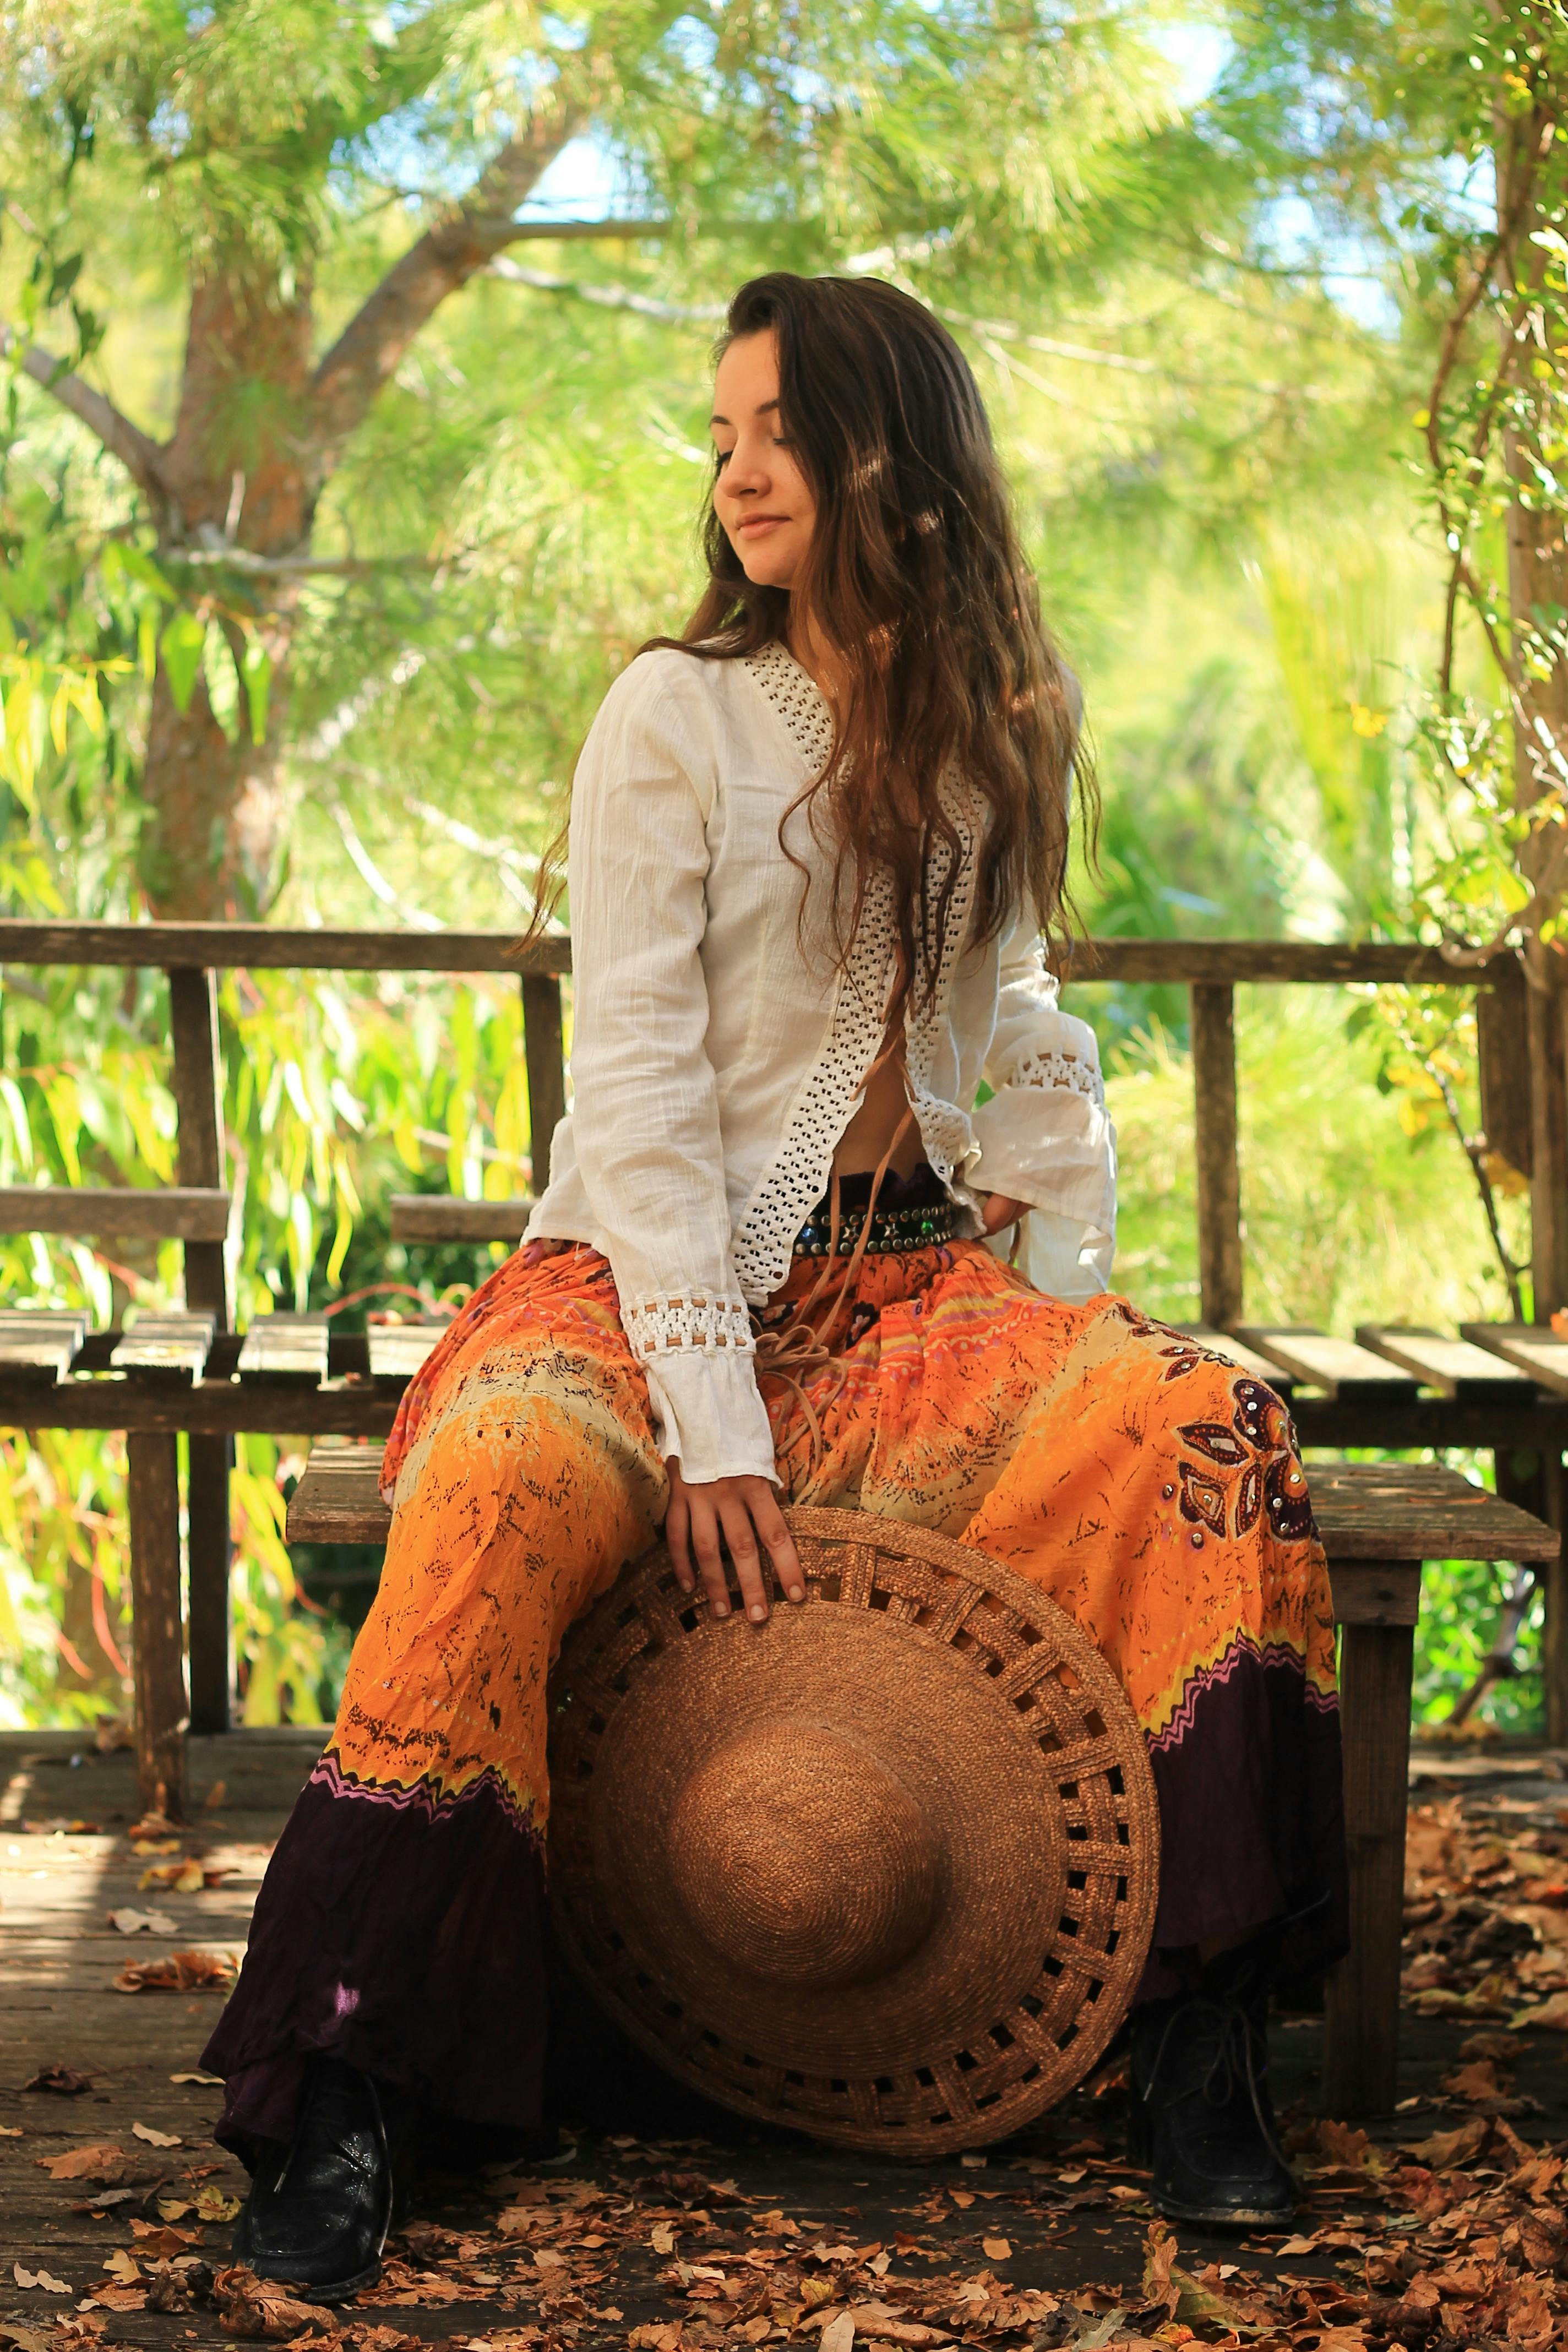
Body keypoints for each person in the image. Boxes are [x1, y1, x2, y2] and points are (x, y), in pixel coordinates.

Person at [206, 272, 1346, 2294]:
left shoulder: (1001, 714)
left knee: (1209, 1432)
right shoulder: (680, 713)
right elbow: (634, 1096)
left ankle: (1201, 2044)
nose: (733, 472)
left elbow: (1019, 1031)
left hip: (919, 1315)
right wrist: (712, 1419)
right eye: (717, 436)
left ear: (887, 449)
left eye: (771, 431)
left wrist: (1070, 1291)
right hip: (636, 1299)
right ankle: (359, 2093)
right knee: (492, 1501)